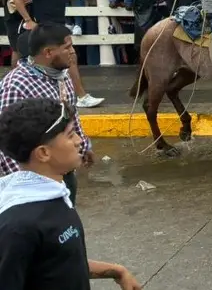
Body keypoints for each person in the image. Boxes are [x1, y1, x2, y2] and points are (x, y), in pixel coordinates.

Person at [0, 95, 142, 289]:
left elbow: (60, 260)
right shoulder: (18, 226)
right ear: (43, 153)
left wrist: (117, 271)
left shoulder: (53, 194)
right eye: (70, 135)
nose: (78, 141)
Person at [0, 24, 95, 202]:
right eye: (67, 47)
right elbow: (5, 143)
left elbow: (71, 114)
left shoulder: (62, 76)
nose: (73, 52)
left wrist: (83, 145)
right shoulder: (16, 85)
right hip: (36, 182)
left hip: (62, 172)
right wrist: (27, 188)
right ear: (49, 52)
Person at [11, 0, 103, 108]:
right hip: (45, 28)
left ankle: (71, 97)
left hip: (59, 25)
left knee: (60, 61)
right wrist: (28, 20)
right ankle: (81, 96)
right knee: (65, 59)